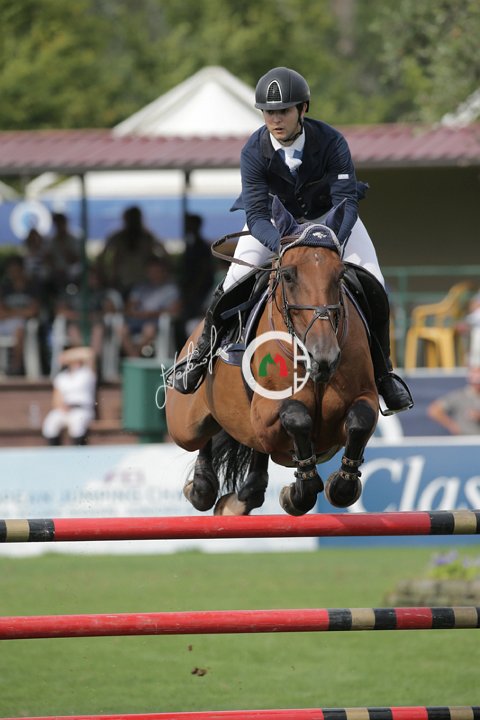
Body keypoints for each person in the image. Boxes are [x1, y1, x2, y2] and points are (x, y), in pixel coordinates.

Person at [173, 66, 413, 415]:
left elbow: (346, 202)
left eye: (283, 111)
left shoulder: (331, 142)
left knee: (374, 284)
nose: (275, 119)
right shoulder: (253, 151)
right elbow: (256, 215)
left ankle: (384, 373)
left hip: (330, 220)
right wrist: (284, 245)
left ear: (303, 109)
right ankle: (203, 352)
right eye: (268, 112)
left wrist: (329, 241)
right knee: (232, 282)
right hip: (275, 225)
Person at [96, 205, 168, 298]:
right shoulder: (119, 237)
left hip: (142, 282)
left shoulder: (147, 237)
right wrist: (106, 277)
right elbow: (101, 258)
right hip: (123, 281)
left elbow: (164, 255)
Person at [120, 254, 181, 358]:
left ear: (163, 272)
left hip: (156, 321)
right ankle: (134, 357)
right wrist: (137, 313)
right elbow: (129, 307)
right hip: (136, 320)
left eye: (156, 271)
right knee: (121, 329)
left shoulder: (171, 289)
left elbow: (175, 311)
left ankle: (133, 357)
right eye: (151, 271)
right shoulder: (140, 288)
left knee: (149, 330)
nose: (154, 274)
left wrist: (151, 314)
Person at [42, 346, 97, 446]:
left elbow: (89, 354)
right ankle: (54, 452)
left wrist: (66, 356)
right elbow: (56, 398)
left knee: (77, 424)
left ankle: (78, 452)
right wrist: (61, 406)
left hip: (82, 409)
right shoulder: (61, 377)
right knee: (51, 423)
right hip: (64, 409)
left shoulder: (87, 373)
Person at [0, 255, 40, 375]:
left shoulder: (32, 287)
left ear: (22, 270)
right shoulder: (5, 287)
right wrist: (20, 312)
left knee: (19, 327)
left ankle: (15, 368)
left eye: (16, 270)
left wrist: (11, 312)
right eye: (11, 271)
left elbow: (33, 311)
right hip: (5, 322)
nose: (14, 274)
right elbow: (1, 312)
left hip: (25, 324)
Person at [180, 213, 215, 338]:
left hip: (200, 290)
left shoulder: (201, 246)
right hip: (192, 289)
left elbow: (203, 270)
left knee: (195, 320)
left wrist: (193, 289)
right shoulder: (191, 244)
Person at [427, 366, 480, 435]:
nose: (477, 384)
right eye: (475, 381)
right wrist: (451, 425)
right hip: (464, 437)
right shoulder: (459, 396)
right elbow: (434, 410)